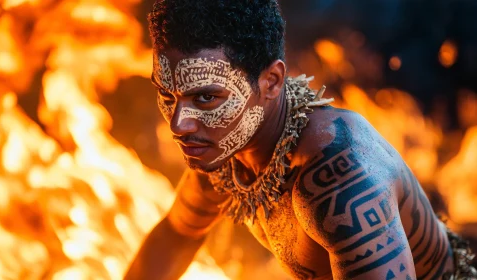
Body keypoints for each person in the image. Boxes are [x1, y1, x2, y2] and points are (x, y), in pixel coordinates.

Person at [125, 0, 477, 279]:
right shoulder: (222, 150)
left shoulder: (340, 180)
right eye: (168, 96)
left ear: (271, 82)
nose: (178, 124)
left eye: (206, 98)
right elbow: (175, 237)